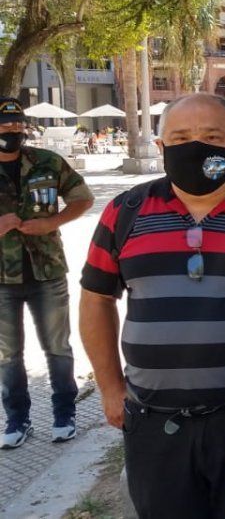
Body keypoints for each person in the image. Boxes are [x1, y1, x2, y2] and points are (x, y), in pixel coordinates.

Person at [79, 93, 225, 518]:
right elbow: (97, 299)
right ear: (161, 148)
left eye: (212, 136)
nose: (196, 145)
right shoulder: (125, 211)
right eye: (181, 137)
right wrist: (110, 389)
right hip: (154, 424)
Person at [0, 98, 94, 449]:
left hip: (47, 272)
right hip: (2, 280)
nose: (10, 129)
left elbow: (83, 198)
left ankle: (64, 414)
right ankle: (17, 419)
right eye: (4, 122)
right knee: (8, 355)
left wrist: (52, 222)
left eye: (16, 122)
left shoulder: (47, 162)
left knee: (57, 347)